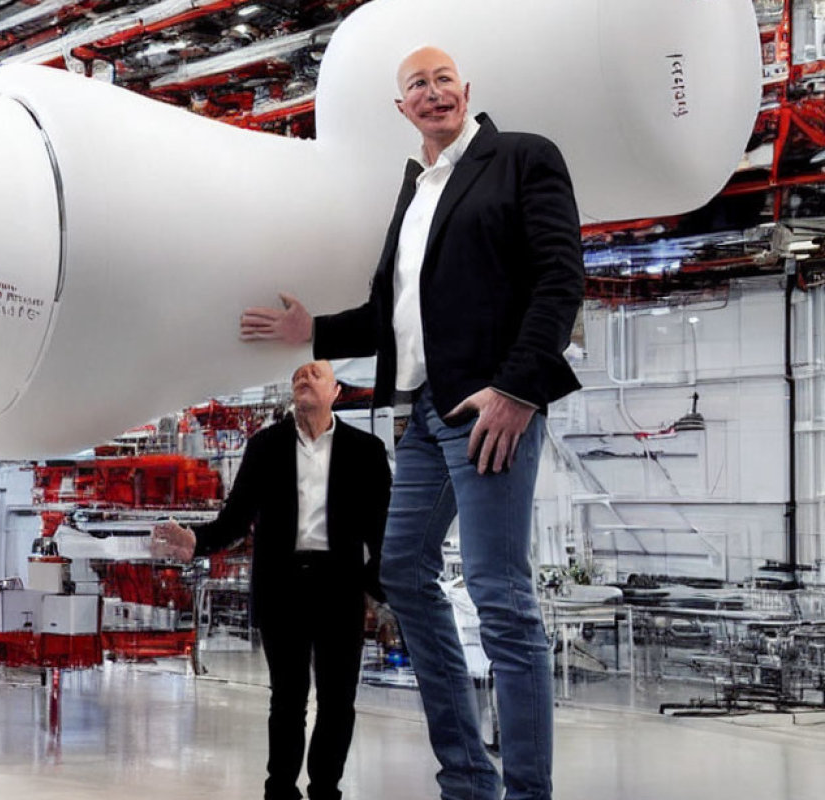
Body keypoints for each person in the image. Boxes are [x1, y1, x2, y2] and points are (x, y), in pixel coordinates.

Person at [239, 47, 584, 800]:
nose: (431, 94)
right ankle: (467, 779)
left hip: (490, 408)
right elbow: (394, 316)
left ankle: (526, 793)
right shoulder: (414, 192)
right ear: (402, 109)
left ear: (467, 90)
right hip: (424, 413)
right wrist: (313, 329)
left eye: (441, 80)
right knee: (400, 571)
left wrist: (517, 391)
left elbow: (561, 278)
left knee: (499, 593)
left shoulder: (521, 159)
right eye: (415, 87)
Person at [152, 359, 390, 800]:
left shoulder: (367, 451)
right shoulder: (265, 446)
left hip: (339, 586)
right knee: (287, 699)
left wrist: (379, 588)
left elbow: (383, 531)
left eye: (315, 374)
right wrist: (196, 542)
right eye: (297, 374)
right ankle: (280, 789)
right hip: (284, 587)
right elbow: (236, 519)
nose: (303, 378)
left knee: (338, 701)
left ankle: (326, 789)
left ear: (337, 391)